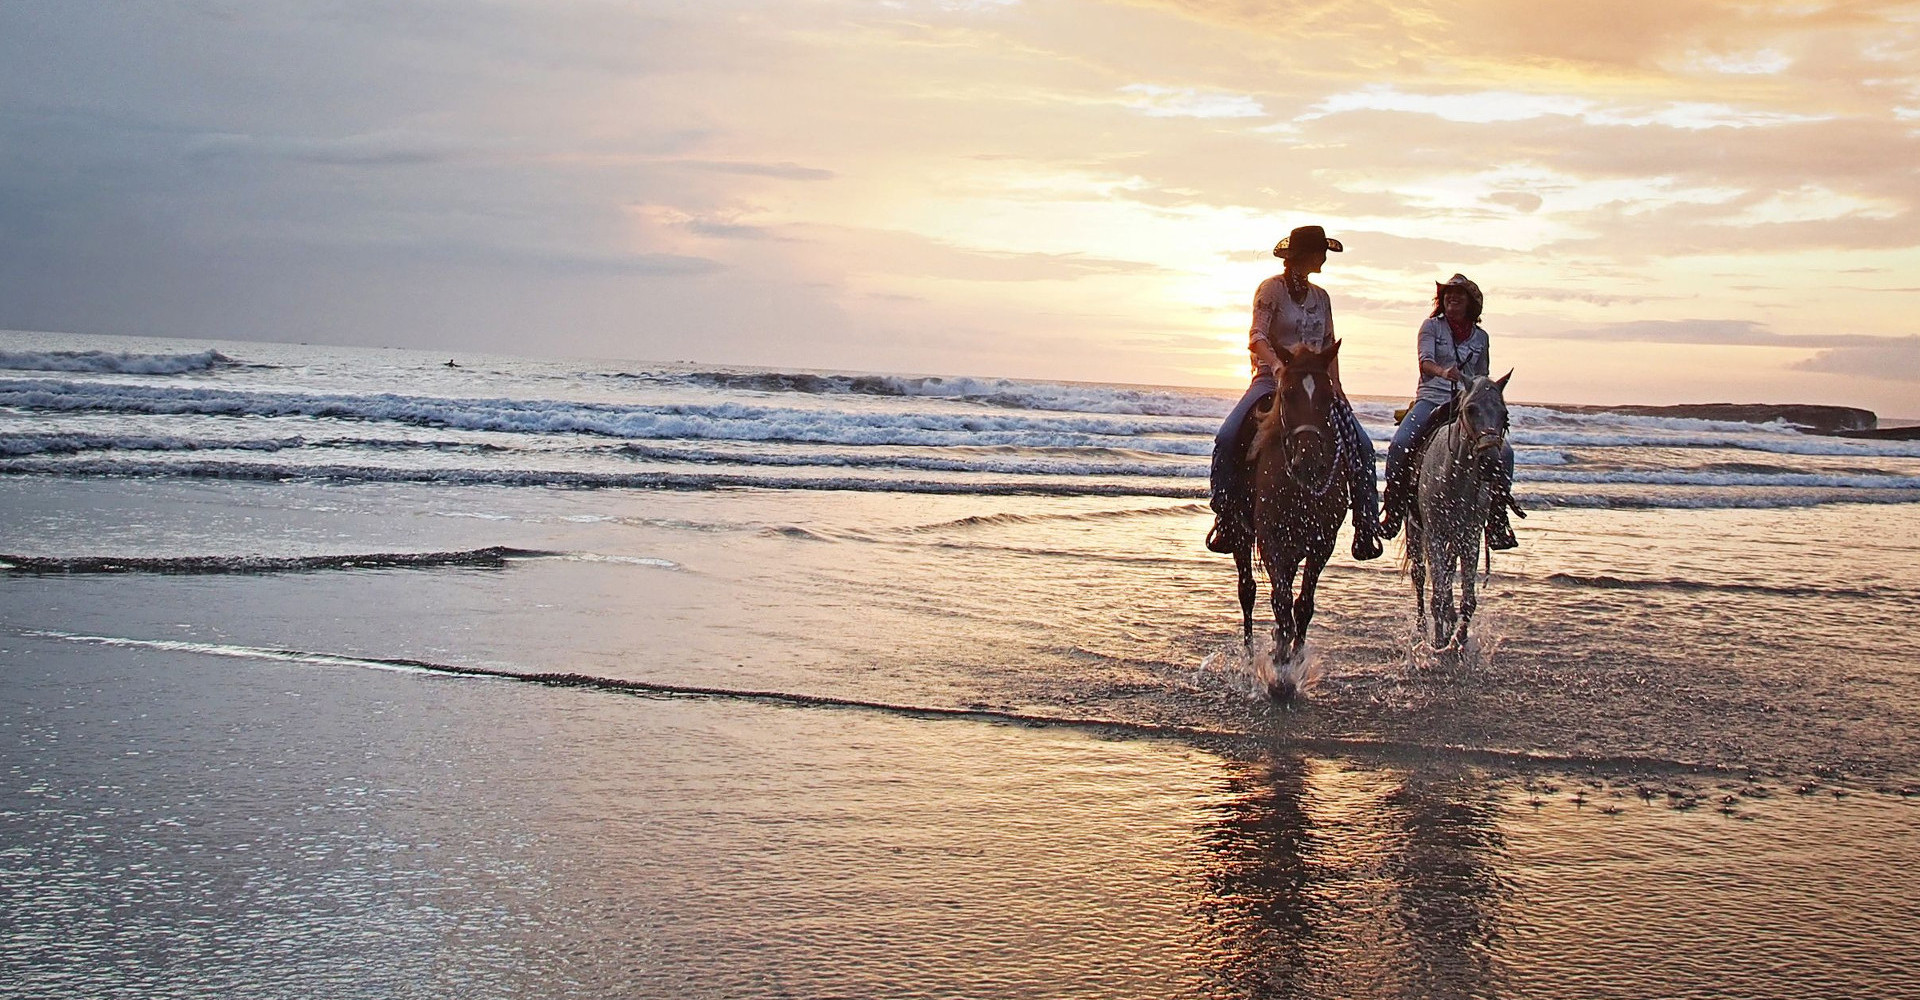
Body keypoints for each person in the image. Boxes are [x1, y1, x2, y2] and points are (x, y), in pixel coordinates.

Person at [1206, 225, 1383, 561]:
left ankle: (1366, 523)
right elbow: (1256, 336)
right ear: (1303, 256)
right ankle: (1226, 515)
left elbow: (1329, 345)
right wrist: (1275, 366)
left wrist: (1338, 388)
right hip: (1271, 380)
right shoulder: (1271, 290)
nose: (1325, 258)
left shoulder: (1322, 297)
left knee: (1362, 445)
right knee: (1227, 437)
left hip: (1315, 386)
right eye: (1320, 252)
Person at [1378, 273, 1519, 549]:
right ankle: (1394, 511)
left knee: (1505, 453)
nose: (1452, 298)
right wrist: (1445, 372)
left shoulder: (1481, 337)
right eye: (1448, 294)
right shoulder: (1431, 327)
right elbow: (1425, 363)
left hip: (1466, 407)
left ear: (1471, 303)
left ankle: (1497, 518)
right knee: (1400, 445)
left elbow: (1482, 375)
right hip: (1432, 400)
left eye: (1459, 294)